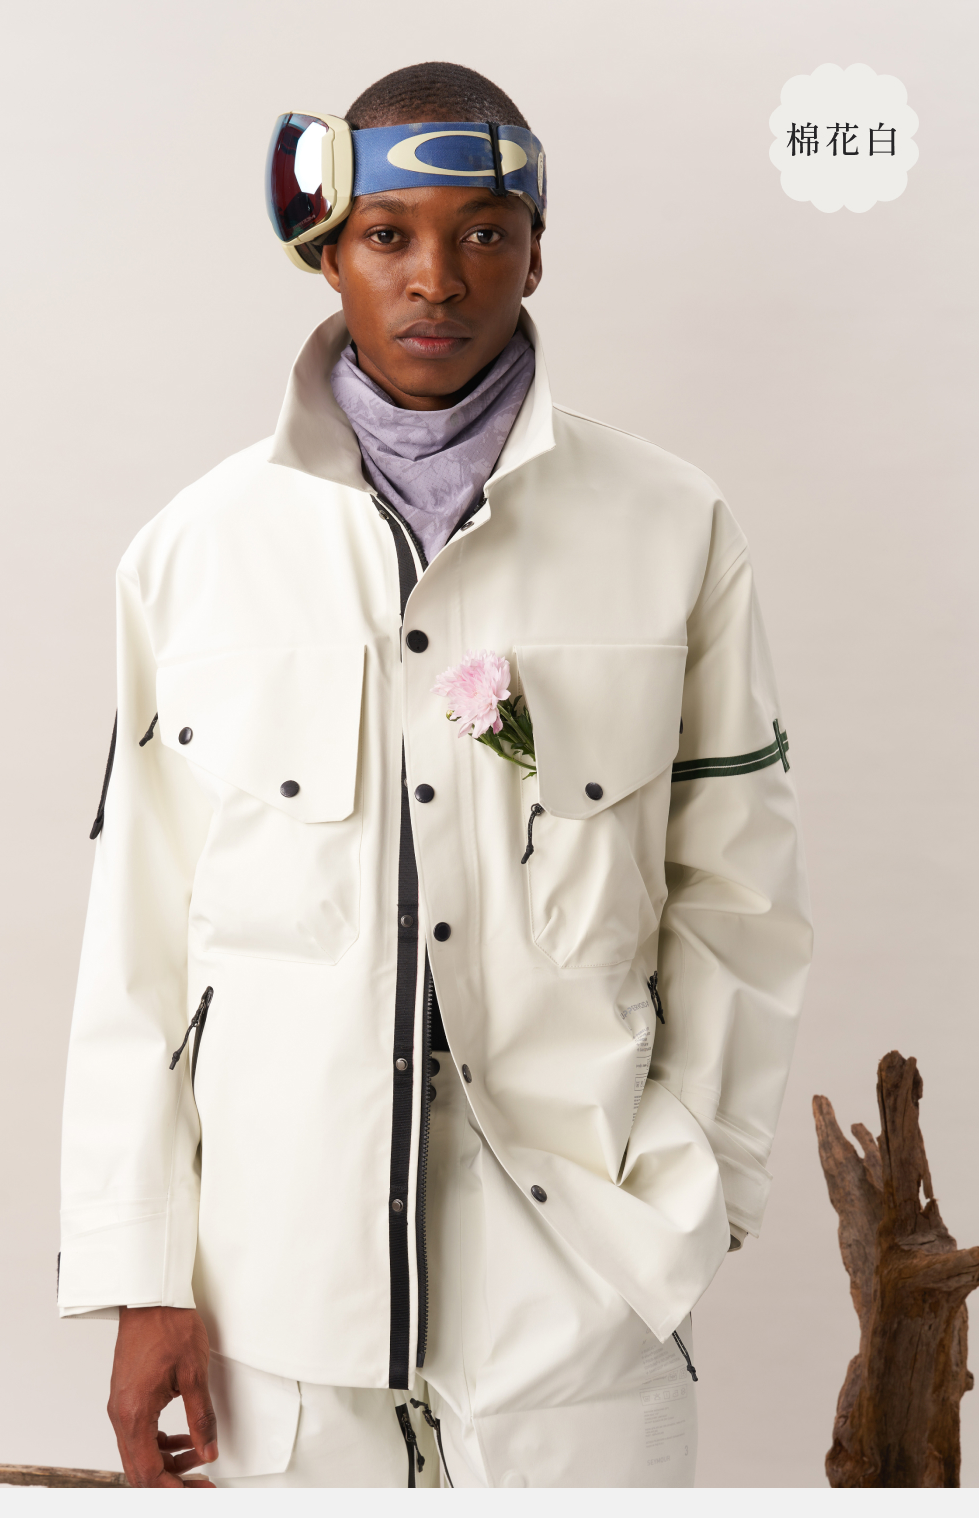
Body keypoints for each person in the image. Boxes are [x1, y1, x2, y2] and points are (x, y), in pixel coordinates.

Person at [58, 61, 812, 1488]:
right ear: (325, 252)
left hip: (579, 1301)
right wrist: (137, 1268)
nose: (437, 279)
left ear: (537, 250)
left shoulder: (671, 525)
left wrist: (697, 1184)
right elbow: (137, 942)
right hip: (274, 1313)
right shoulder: (193, 556)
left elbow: (740, 895)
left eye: (482, 233)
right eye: (389, 235)